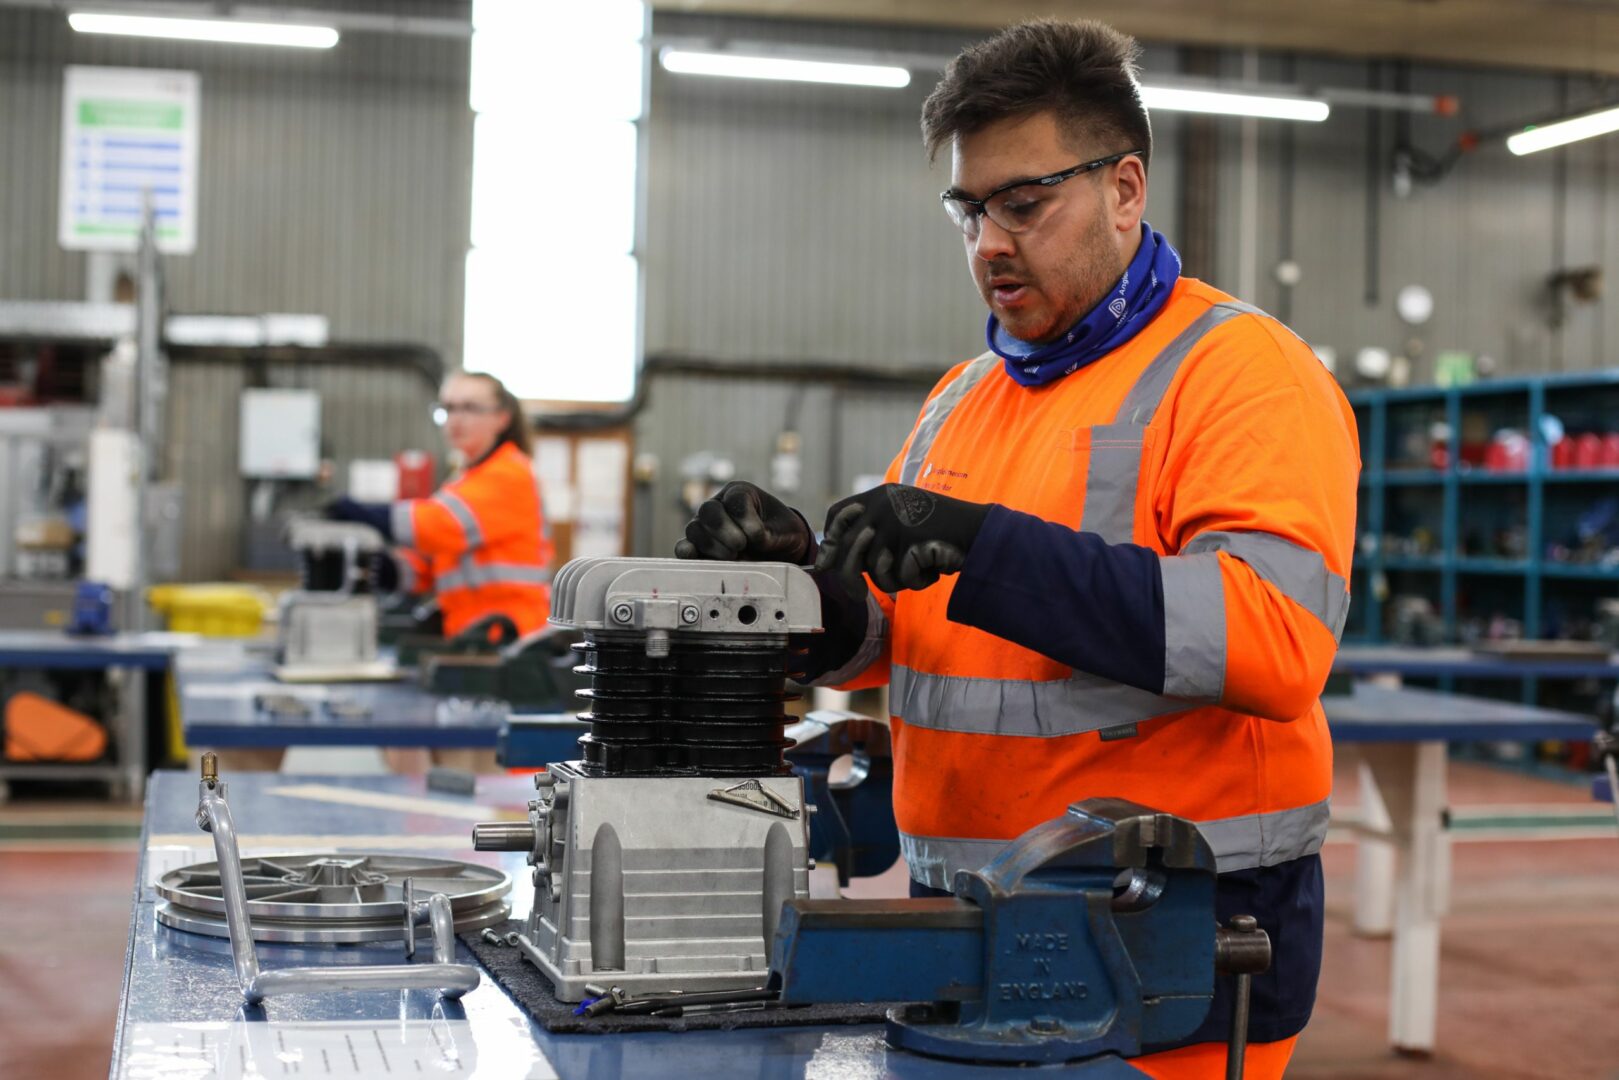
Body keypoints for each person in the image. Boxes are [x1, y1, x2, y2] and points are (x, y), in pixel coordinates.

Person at [676, 19, 1358, 1079]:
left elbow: (1270, 642)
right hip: (960, 932)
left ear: (1124, 188)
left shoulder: (1241, 375)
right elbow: (898, 646)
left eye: (1023, 204)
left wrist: (983, 546)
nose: (988, 242)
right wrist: (797, 587)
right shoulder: (961, 400)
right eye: (967, 209)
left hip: (1167, 944)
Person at [329, 370, 554, 639]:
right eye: (448, 408)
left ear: (502, 418)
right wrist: (374, 567)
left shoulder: (510, 473)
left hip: (511, 638)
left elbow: (439, 525)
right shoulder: (461, 482)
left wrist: (356, 512)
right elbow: (428, 569)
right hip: (475, 638)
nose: (455, 420)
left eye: (470, 408)